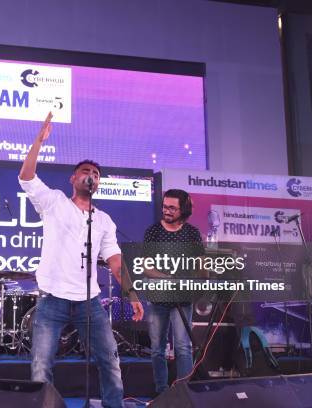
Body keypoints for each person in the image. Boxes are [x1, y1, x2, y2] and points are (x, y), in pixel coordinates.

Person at [19, 112, 144, 408]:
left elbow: (115, 261)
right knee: (41, 367)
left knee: (110, 361)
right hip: (52, 299)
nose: (92, 176)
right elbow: (26, 176)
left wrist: (132, 294)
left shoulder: (103, 220)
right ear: (74, 178)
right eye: (86, 171)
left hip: (89, 302)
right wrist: (39, 140)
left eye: (96, 174)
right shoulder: (55, 203)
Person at [143, 189, 204, 394]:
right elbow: (146, 267)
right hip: (158, 298)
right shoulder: (153, 231)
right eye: (165, 206)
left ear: (183, 209)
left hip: (183, 298)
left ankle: (182, 393)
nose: (166, 210)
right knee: (157, 349)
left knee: (183, 347)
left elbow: (199, 265)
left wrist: (198, 276)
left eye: (172, 207)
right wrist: (169, 278)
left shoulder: (192, 233)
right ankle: (161, 392)